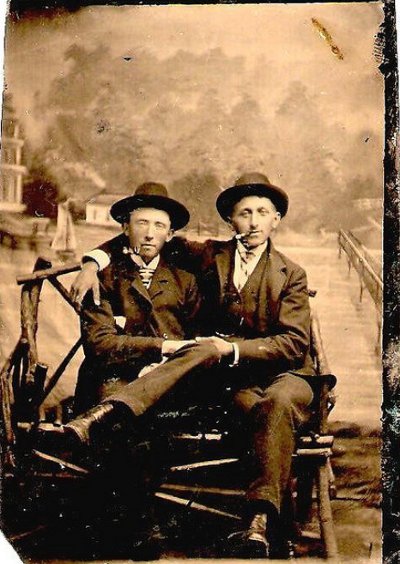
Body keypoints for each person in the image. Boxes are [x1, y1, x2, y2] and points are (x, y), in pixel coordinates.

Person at [66, 172, 315, 558]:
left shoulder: (291, 273)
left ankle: (259, 523)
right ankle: (258, 527)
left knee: (259, 389)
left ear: (275, 220)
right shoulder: (208, 255)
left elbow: (296, 342)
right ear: (230, 221)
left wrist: (229, 350)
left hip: (281, 370)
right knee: (242, 391)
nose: (252, 222)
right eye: (244, 213)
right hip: (237, 381)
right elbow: (145, 236)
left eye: (262, 212)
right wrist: (91, 259)